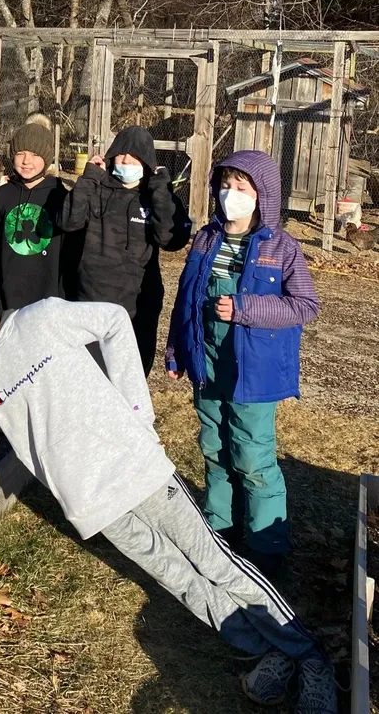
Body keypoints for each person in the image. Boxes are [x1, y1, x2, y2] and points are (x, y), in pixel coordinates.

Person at [0, 247, 336, 714]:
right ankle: (269, 651)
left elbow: (115, 321)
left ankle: (310, 656)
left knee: (214, 561)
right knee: (178, 578)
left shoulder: (40, 319)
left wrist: (138, 410)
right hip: (92, 502)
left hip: (136, 469)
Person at [166, 151, 319, 575]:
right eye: (225, 185)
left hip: (254, 370)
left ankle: (268, 548)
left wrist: (248, 309)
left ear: (262, 196)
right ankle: (221, 532)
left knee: (251, 456)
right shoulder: (205, 239)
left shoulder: (281, 247)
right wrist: (178, 349)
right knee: (214, 447)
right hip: (208, 361)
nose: (230, 195)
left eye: (242, 188)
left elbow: (305, 305)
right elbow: (186, 298)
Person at [58, 125, 191, 374]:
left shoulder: (154, 196)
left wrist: (161, 189)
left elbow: (171, 239)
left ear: (148, 162)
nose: (127, 161)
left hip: (137, 306)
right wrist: (88, 177)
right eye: (121, 155)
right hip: (91, 300)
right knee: (89, 377)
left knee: (131, 378)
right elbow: (68, 221)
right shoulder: (96, 188)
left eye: (135, 157)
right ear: (111, 157)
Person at [0, 115, 68, 312]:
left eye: (35, 155)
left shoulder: (60, 197)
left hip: (48, 303)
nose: (27, 161)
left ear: (46, 158)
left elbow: (66, 256)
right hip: (8, 301)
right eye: (20, 153)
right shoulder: (3, 195)